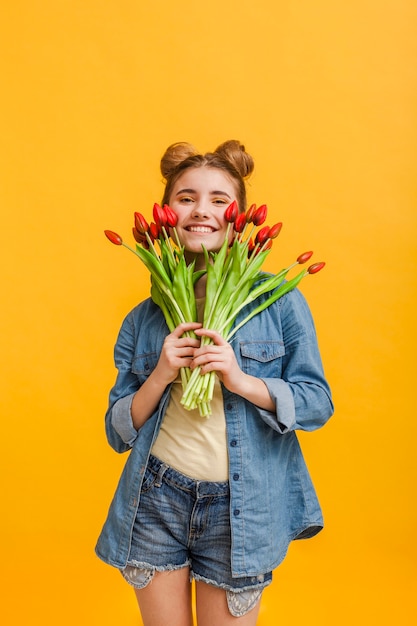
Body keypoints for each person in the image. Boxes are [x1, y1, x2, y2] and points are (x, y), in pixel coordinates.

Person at [96, 140, 334, 626]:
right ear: (167, 212)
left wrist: (239, 378)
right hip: (157, 497)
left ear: (240, 218)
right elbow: (117, 431)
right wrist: (161, 374)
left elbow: (317, 404)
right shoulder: (143, 318)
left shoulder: (279, 304)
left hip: (240, 507)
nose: (201, 210)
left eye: (219, 200)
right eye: (186, 198)